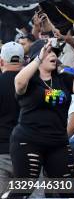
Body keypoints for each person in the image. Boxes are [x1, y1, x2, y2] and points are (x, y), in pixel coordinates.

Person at [10, 39, 74, 197]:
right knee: (22, 190)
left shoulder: (63, 79)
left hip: (57, 143)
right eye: (49, 52)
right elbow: (18, 82)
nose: (54, 55)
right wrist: (37, 58)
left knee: (67, 192)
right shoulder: (29, 81)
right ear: (37, 57)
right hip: (29, 142)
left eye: (55, 52)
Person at [0, 42, 24, 196]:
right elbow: (61, 98)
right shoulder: (37, 84)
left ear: (1, 61)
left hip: (1, 153)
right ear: (23, 60)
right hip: (30, 154)